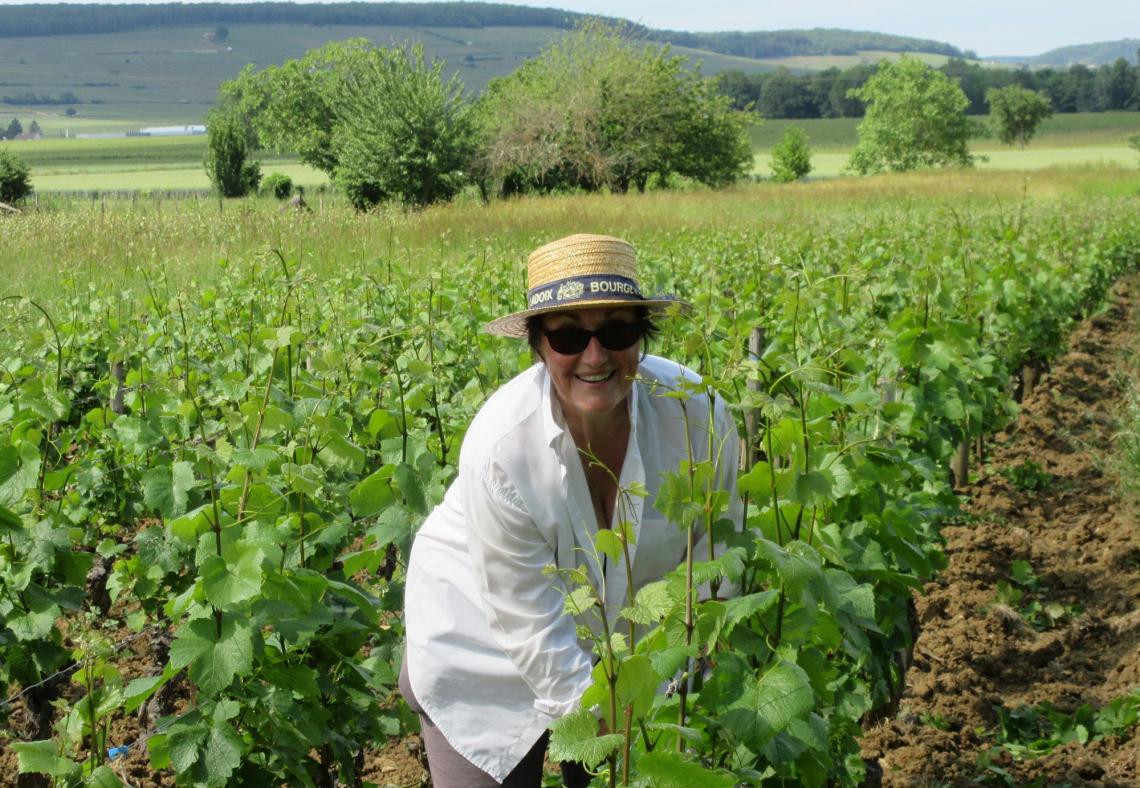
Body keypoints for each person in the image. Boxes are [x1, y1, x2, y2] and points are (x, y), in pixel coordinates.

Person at [400, 234, 741, 786]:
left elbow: (714, 559)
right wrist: (611, 734)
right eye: (568, 335)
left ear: (641, 337)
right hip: (483, 652)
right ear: (538, 346)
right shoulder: (502, 448)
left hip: (625, 665)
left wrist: (671, 696)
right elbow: (527, 621)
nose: (595, 354)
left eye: (617, 330)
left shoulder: (697, 419)